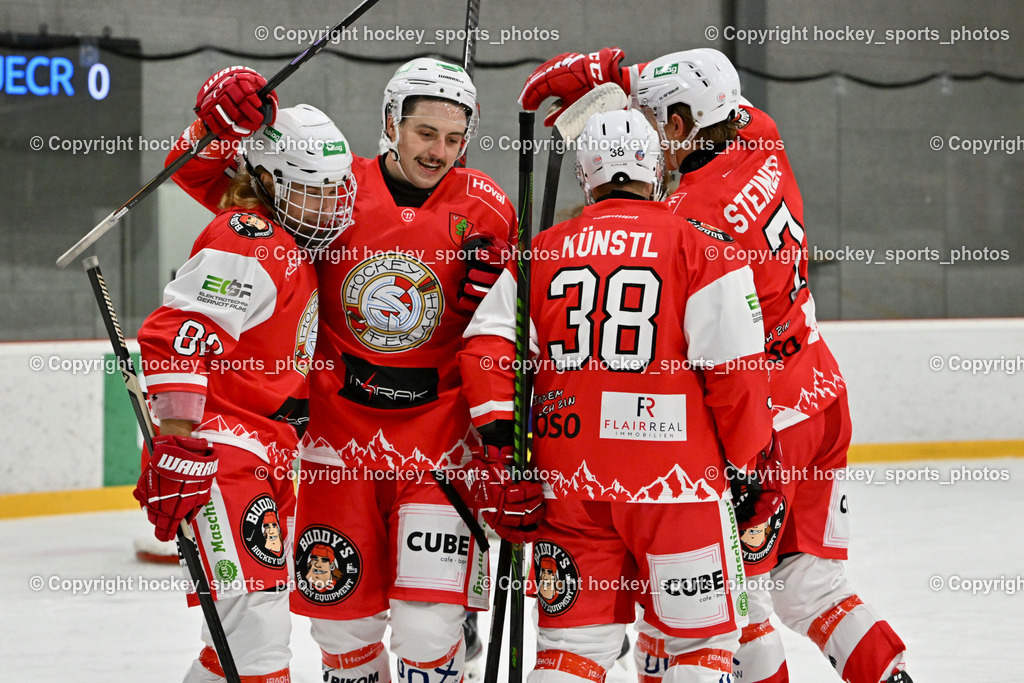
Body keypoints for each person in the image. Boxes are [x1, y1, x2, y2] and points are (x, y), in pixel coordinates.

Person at [519, 48, 911, 683]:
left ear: (679, 125)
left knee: (735, 602)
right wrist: (623, 79)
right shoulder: (761, 137)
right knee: (812, 584)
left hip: (763, 421)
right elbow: (713, 97)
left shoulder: (684, 221)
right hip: (820, 393)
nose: (647, 137)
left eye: (653, 122)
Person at [166, 59, 542, 683]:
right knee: (343, 628)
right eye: (425, 133)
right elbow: (208, 179)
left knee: (428, 630)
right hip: (335, 447)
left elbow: (511, 332)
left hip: (441, 449)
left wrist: (508, 280)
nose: (439, 152)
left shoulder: (489, 207)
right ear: (391, 123)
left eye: (454, 138)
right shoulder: (333, 185)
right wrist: (216, 123)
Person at [459, 108, 783, 683]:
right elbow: (735, 373)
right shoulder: (704, 247)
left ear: (585, 174)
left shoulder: (540, 251)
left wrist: (504, 453)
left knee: (572, 649)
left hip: (569, 481)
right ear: (655, 169)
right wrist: (749, 464)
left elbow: (487, 351)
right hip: (677, 483)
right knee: (702, 644)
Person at [134, 95, 357, 682]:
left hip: (265, 455)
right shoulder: (250, 239)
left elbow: (193, 164)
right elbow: (177, 334)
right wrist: (177, 441)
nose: (330, 205)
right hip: (222, 456)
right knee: (256, 642)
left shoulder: (291, 239)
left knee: (234, 646)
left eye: (336, 189)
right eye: (313, 191)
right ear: (267, 181)